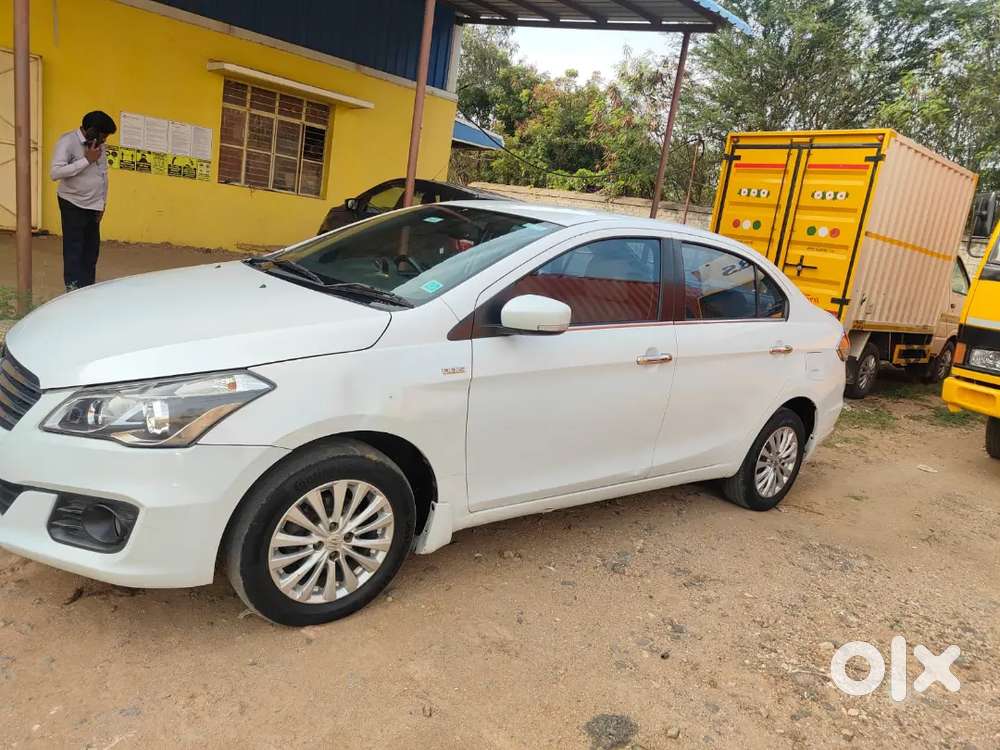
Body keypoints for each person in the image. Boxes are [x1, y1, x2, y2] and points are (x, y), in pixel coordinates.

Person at [50, 111, 116, 291]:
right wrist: (86, 160)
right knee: (74, 250)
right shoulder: (68, 142)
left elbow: (103, 174)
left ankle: (86, 291)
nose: (104, 141)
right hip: (73, 203)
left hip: (94, 205)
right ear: (92, 130)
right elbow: (55, 173)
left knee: (91, 252)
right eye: (103, 136)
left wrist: (103, 203)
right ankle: (72, 290)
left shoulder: (99, 145)